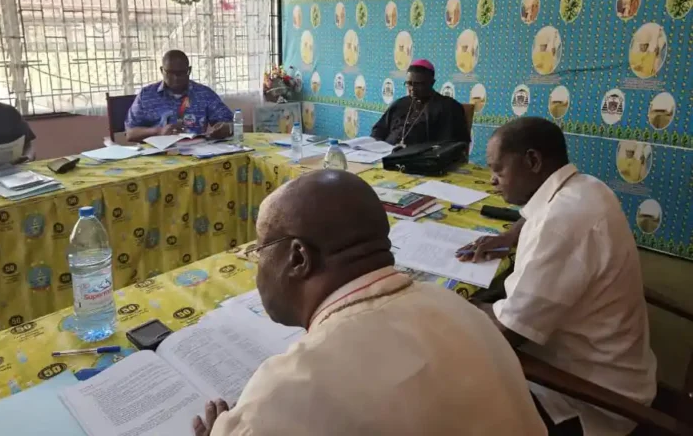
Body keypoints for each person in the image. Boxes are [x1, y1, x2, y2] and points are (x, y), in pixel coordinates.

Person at [192, 170, 546, 436]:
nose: (257, 264)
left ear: (298, 259)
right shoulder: (464, 311)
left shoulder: (283, 394)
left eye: (259, 250)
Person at [456, 117, 656, 436]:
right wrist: (510, 235)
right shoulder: (586, 186)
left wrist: (455, 305)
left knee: (453, 385)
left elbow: (507, 332)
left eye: (498, 170)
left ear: (533, 161)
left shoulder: (558, 224)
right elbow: (540, 213)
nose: (492, 180)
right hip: (624, 368)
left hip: (592, 400)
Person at [124, 50, 233, 142]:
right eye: (170, 73)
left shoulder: (204, 94)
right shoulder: (147, 95)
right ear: (162, 70)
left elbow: (227, 122)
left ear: (189, 70)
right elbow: (130, 133)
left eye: (181, 73)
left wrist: (225, 127)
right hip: (157, 154)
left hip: (196, 152)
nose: (176, 78)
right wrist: (158, 131)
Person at [371, 59, 470, 147]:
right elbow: (378, 130)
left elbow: (449, 146)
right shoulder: (400, 103)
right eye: (409, 83)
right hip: (385, 156)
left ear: (432, 83)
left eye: (419, 84)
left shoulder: (448, 107)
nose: (412, 89)